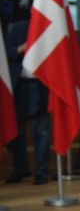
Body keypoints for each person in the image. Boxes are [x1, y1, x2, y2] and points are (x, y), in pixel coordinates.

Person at [3, 19, 50, 185]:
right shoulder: (16, 27)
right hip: (18, 84)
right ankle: (21, 168)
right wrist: (19, 49)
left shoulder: (50, 27)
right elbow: (6, 52)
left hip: (41, 84)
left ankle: (41, 171)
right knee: (16, 129)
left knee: (41, 130)